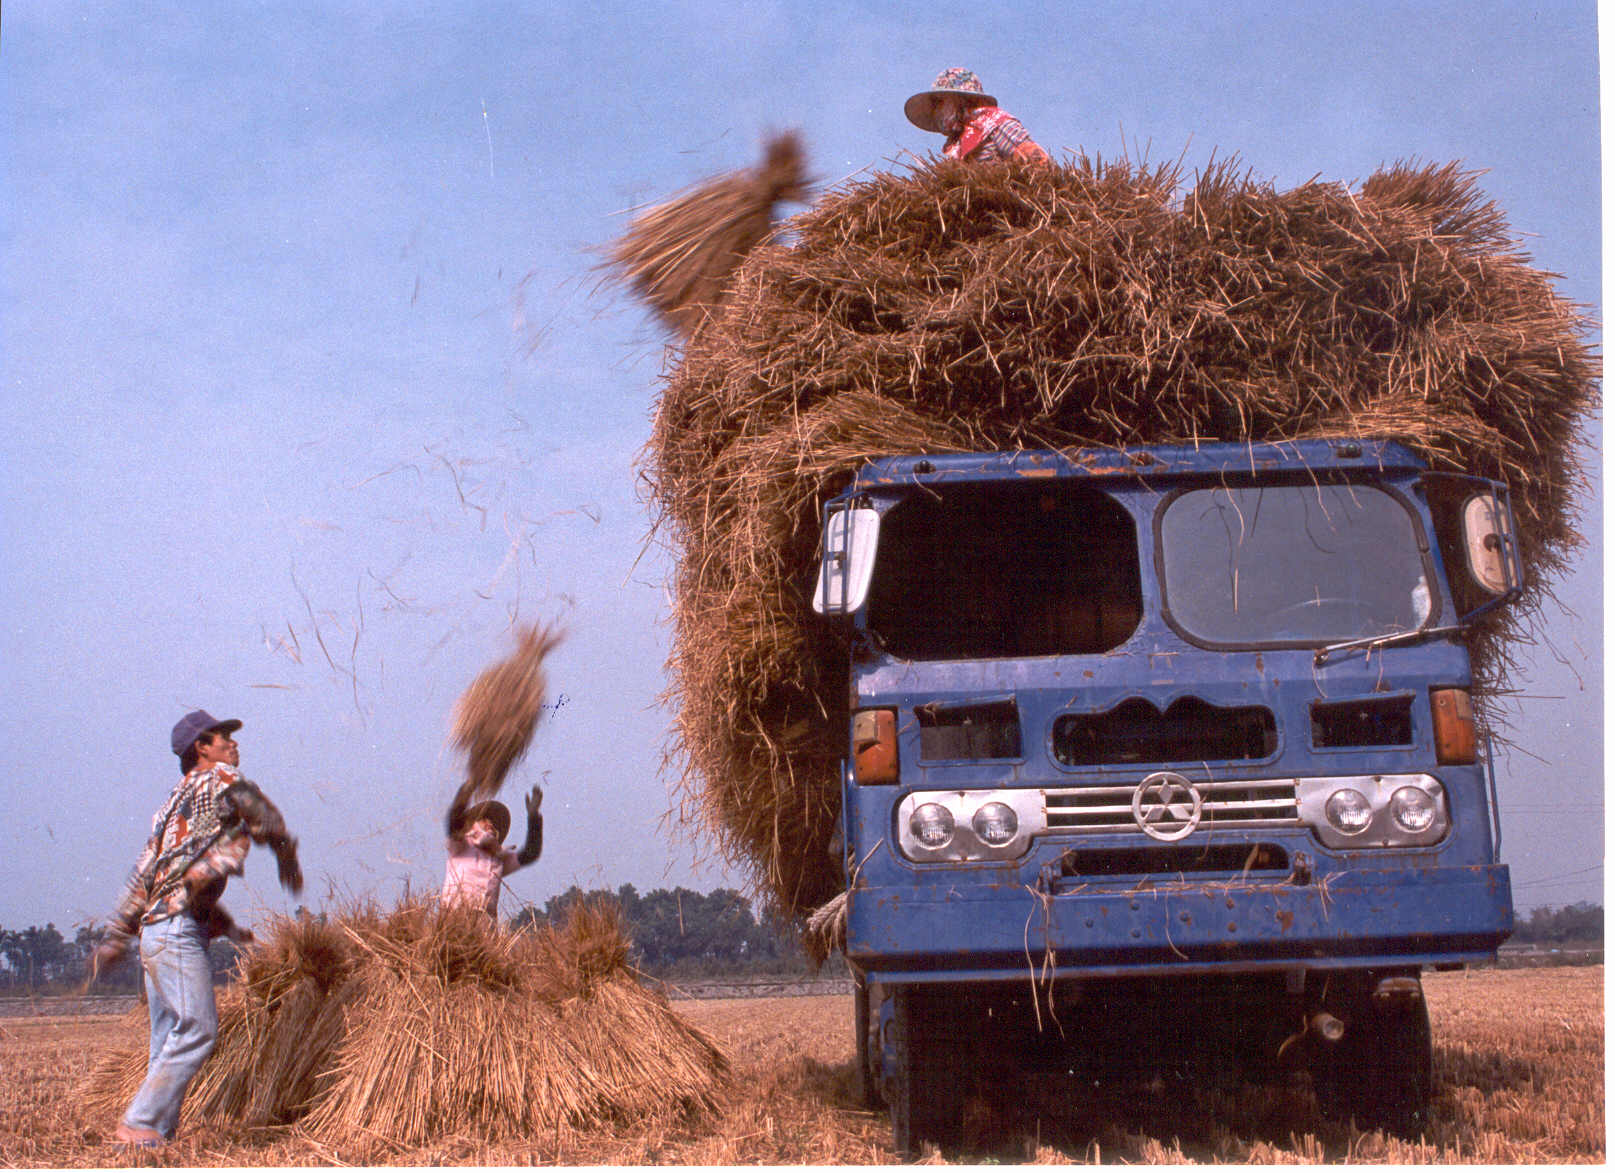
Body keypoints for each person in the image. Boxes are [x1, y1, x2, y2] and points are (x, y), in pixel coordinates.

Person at [91, 710, 303, 1148]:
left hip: (154, 933)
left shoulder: (171, 807)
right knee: (199, 1029)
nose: (233, 744)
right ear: (202, 749)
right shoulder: (222, 778)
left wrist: (116, 936)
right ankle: (139, 1121)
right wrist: (285, 853)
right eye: (223, 737)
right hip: (175, 930)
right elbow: (264, 814)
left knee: (167, 1039)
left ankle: (154, 1138)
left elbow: (144, 873)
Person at [904, 67, 1051, 164]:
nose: (936, 111)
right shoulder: (954, 144)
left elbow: (1036, 161)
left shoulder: (996, 124)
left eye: (940, 102)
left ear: (960, 100)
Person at [442, 785, 544, 918]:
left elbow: (531, 853)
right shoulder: (462, 845)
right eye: (484, 820)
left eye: (494, 823)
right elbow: (454, 822)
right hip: (455, 915)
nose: (490, 823)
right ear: (471, 826)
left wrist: (533, 817)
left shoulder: (499, 859)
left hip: (485, 923)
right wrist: (470, 786)